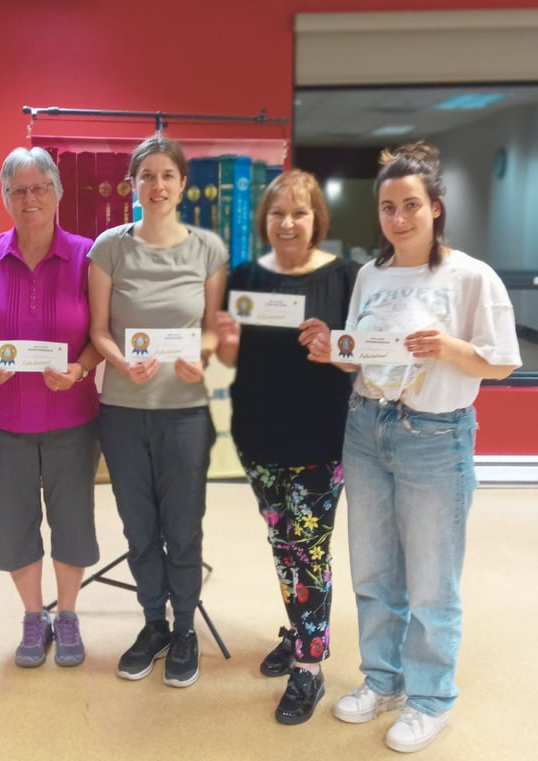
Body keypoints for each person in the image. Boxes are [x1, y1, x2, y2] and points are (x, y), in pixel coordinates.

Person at [307, 143, 522, 752]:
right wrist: (333, 348)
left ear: (435, 208)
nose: (399, 219)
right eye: (387, 208)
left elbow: (503, 362)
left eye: (411, 206)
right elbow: (361, 354)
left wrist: (452, 349)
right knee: (374, 571)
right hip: (366, 427)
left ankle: (431, 699)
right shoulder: (370, 275)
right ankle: (384, 680)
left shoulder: (470, 276)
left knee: (432, 582)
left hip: (435, 437)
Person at [215, 170, 359, 723]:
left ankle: (310, 666)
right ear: (265, 221)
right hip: (258, 435)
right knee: (283, 545)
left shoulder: (345, 276)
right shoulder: (247, 275)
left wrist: (335, 347)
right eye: (278, 213)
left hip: (320, 438)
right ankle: (300, 632)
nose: (289, 223)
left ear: (316, 219)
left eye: (299, 213)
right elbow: (233, 358)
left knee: (311, 550)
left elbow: (357, 354)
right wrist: (226, 343)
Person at [88, 135, 227, 688]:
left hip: (186, 413)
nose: (158, 185)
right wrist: (121, 362)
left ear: (183, 184)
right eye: (147, 176)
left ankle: (186, 627)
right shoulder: (109, 248)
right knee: (139, 526)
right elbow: (99, 330)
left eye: (168, 175)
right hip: (122, 410)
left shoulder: (208, 250)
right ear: (134, 184)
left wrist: (204, 358)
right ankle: (153, 624)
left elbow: (213, 332)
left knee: (184, 527)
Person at [0, 146, 103, 669]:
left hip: (73, 420)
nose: (30, 198)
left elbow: (99, 334)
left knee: (72, 521)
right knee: (15, 524)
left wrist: (81, 369)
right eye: (18, 190)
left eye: (40, 186)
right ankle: (31, 615)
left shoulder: (89, 255)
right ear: (5, 197)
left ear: (58, 193)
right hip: (4, 420)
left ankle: (66, 615)